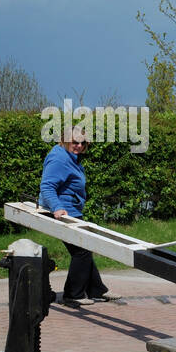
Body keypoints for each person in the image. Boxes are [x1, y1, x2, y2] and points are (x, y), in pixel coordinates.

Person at [39, 125, 114, 307]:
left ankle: (96, 290)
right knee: (81, 251)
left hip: (71, 211)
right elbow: (47, 186)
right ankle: (72, 294)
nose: (78, 146)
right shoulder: (59, 158)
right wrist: (57, 208)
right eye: (74, 142)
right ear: (64, 140)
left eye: (82, 143)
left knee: (84, 249)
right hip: (61, 212)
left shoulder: (70, 158)